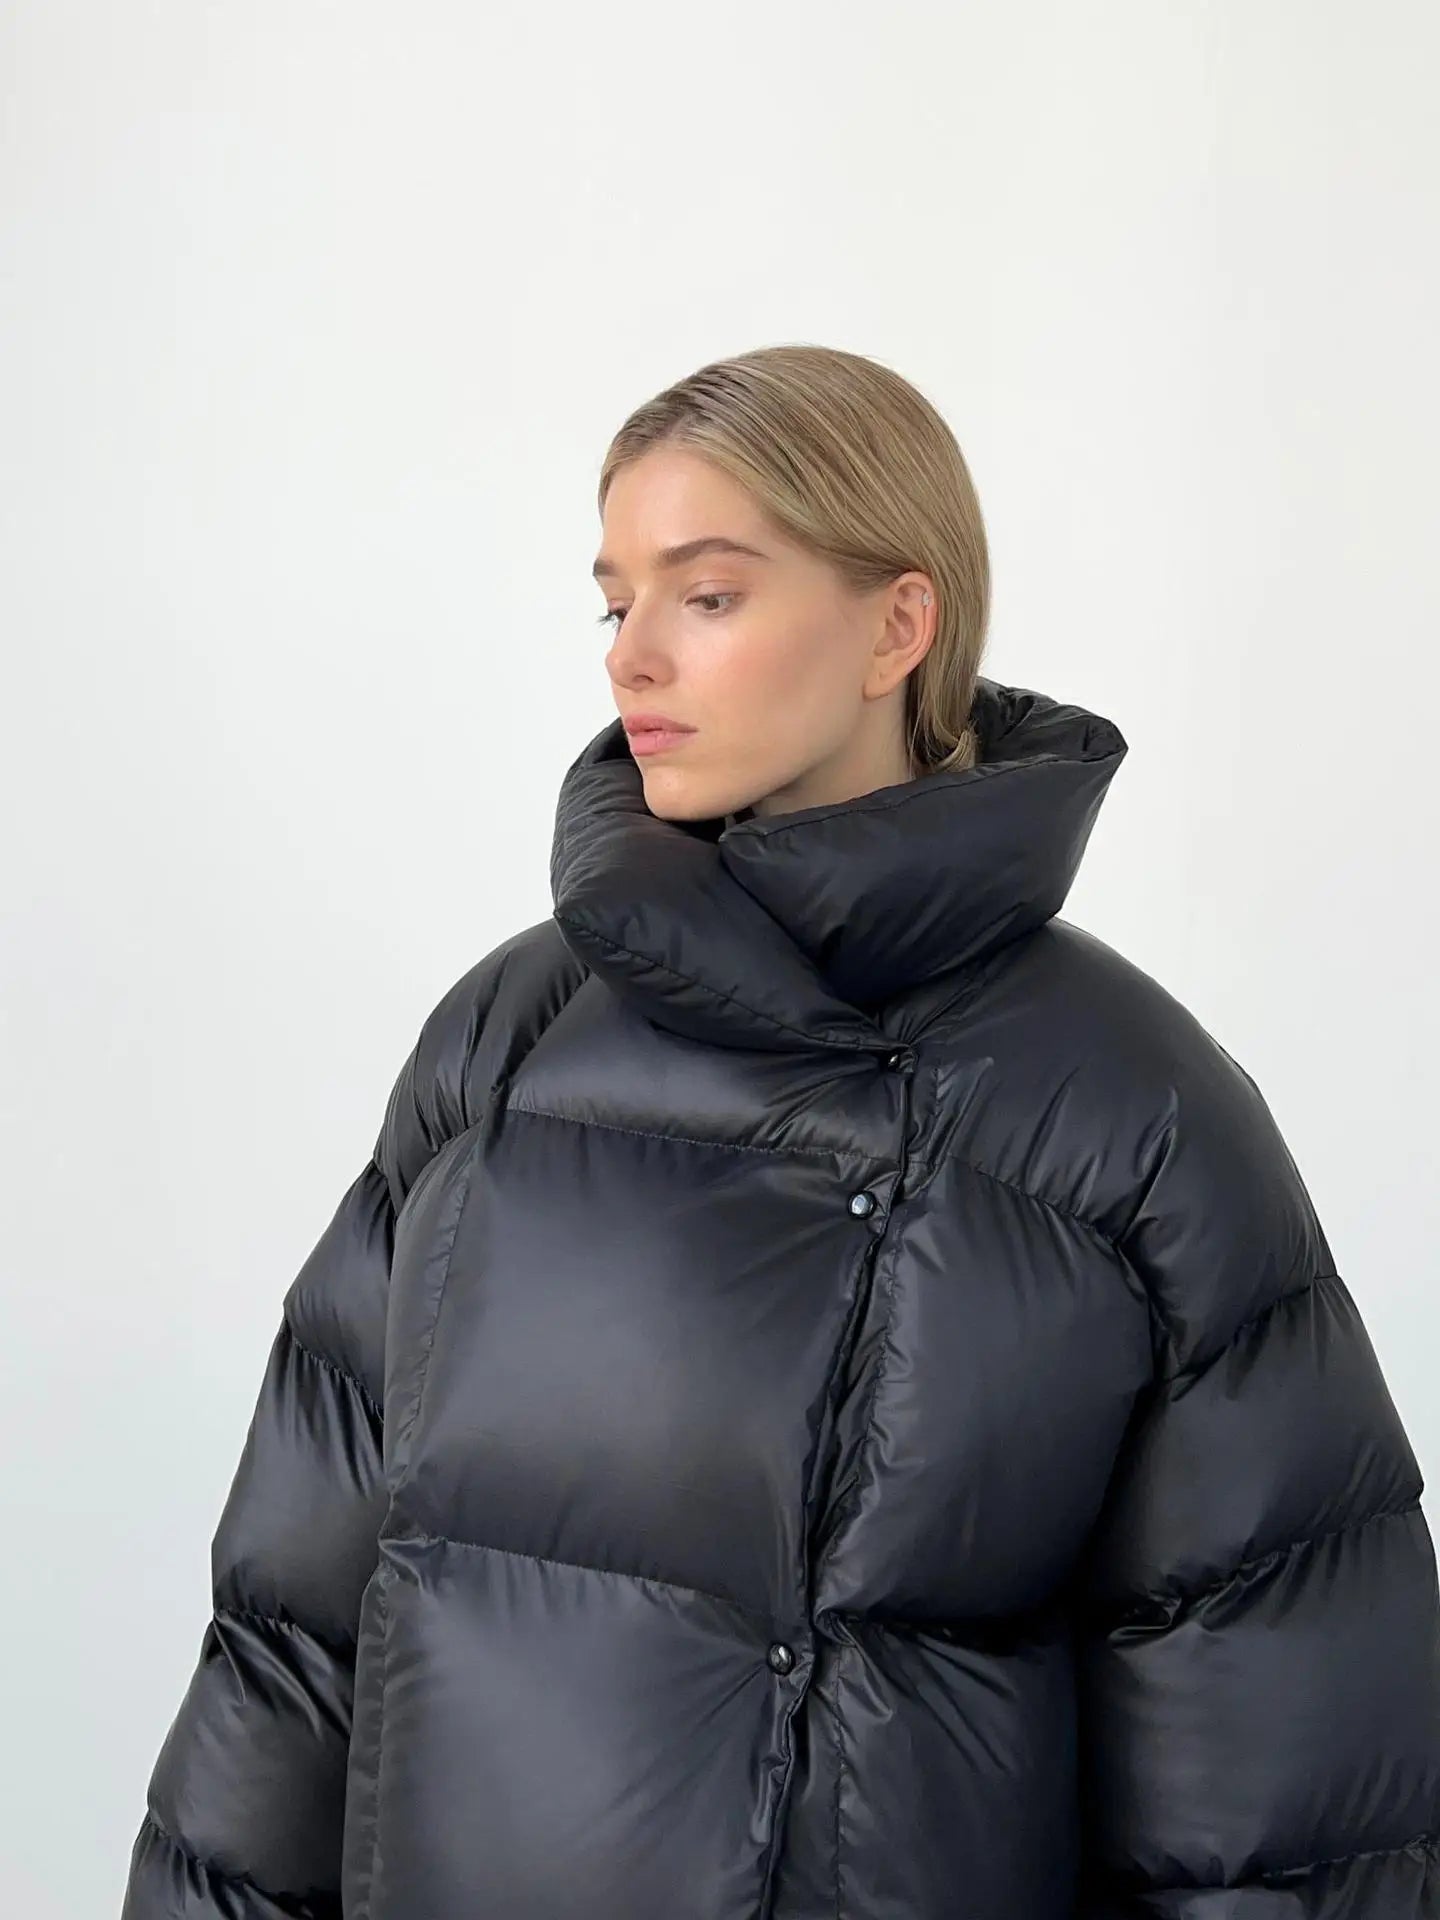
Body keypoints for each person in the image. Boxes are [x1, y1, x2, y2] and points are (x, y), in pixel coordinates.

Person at [120, 345, 1440, 1920]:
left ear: (898, 624)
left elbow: (1284, 1790)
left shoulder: (1124, 1107)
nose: (634, 658)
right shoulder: (502, 1047)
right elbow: (290, 1648)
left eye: (708, 595)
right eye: (616, 604)